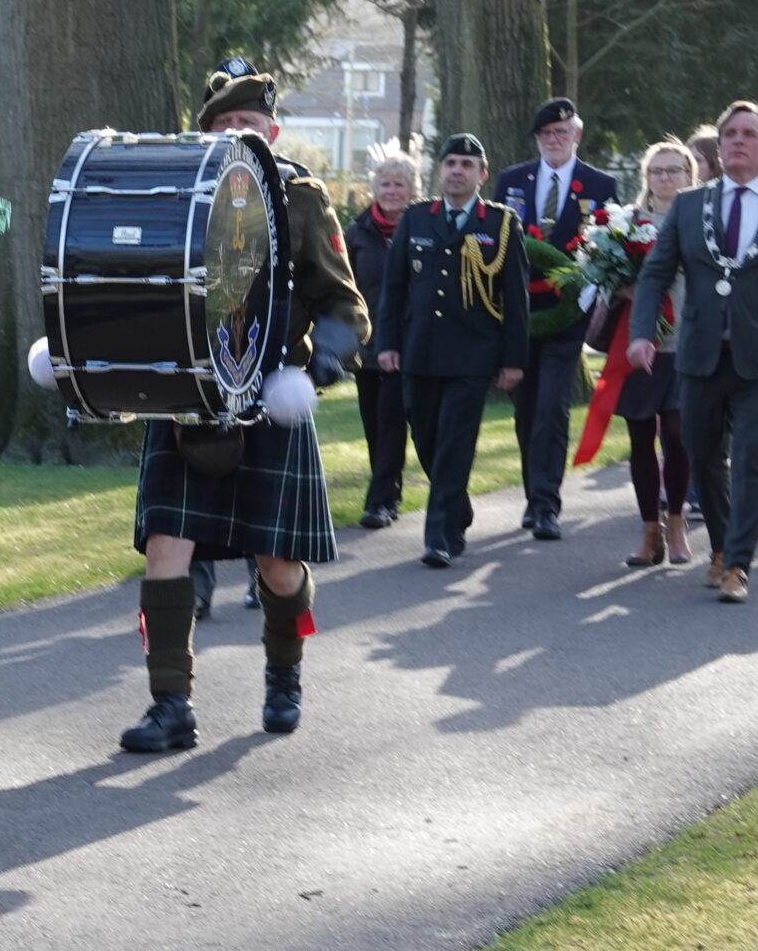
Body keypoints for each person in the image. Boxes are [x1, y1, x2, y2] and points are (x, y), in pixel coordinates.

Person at [118, 62, 370, 753]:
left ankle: (284, 674)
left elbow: (346, 307)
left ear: (272, 132)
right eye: (223, 123)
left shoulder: (301, 198)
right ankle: (171, 704)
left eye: (248, 123)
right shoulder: (174, 195)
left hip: (269, 400)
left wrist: (316, 369)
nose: (235, 133)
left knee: (277, 566)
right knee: (165, 547)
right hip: (188, 398)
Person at [629, 101, 758, 604]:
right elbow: (656, 274)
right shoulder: (689, 205)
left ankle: (739, 564)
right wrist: (642, 333)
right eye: (730, 135)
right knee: (703, 455)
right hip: (701, 354)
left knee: (753, 459)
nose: (738, 141)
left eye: (749, 134)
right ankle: (721, 548)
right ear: (719, 149)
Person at [375, 134, 529, 570]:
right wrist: (387, 343)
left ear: (482, 174)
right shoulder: (416, 218)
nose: (457, 171)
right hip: (420, 351)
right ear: (440, 170)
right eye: (451, 163)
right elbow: (394, 288)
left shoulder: (500, 224)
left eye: (467, 164)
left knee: (455, 445)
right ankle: (457, 509)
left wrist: (514, 359)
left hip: (472, 354)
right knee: (426, 440)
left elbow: (515, 298)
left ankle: (439, 537)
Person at [493, 98, 621, 541]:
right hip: (520, 313)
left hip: (569, 314)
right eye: (546, 134)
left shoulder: (600, 185)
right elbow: (496, 244)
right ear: (537, 138)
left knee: (552, 407)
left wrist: (593, 288)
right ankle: (534, 496)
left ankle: (547, 504)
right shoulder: (512, 181)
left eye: (562, 133)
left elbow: (612, 246)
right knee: (527, 410)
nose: (554, 140)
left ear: (576, 136)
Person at [611, 141, 695, 567]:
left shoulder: (701, 218)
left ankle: (677, 524)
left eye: (673, 170)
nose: (664, 177)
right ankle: (650, 531)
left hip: (686, 342)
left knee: (678, 436)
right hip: (640, 343)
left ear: (689, 175)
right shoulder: (626, 223)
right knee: (641, 437)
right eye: (656, 171)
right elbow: (601, 271)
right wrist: (623, 286)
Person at [346, 155, 420, 529]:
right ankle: (390, 495)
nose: (392, 191)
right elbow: (343, 287)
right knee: (374, 425)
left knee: (391, 419)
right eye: (386, 184)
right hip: (367, 346)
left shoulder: (423, 229)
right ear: (375, 188)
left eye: (399, 184)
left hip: (409, 344)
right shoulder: (356, 233)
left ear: (412, 190)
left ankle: (378, 502)